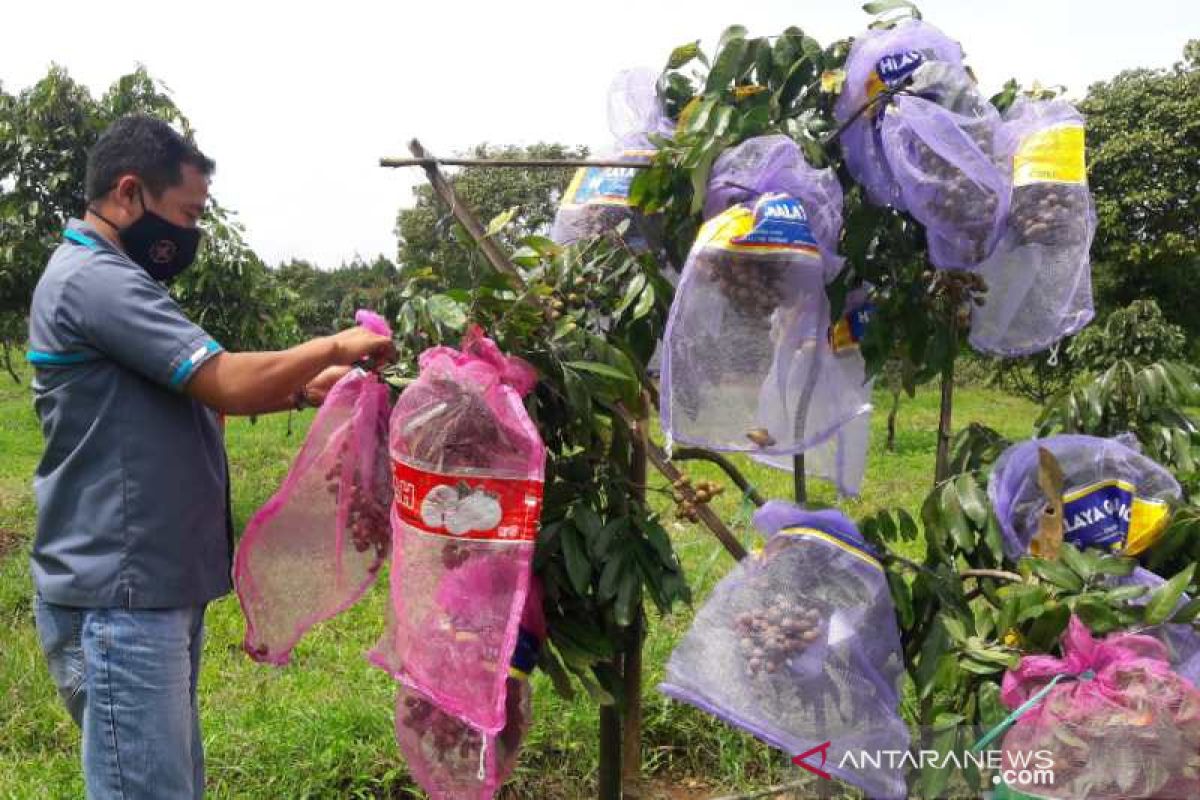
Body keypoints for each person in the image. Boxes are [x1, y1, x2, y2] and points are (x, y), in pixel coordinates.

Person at [25, 114, 396, 799]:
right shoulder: (94, 282)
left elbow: (197, 395)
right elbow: (223, 376)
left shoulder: (118, 281)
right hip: (121, 598)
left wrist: (301, 391)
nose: (191, 234)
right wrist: (336, 347)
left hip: (149, 591)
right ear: (129, 193)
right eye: (187, 214)